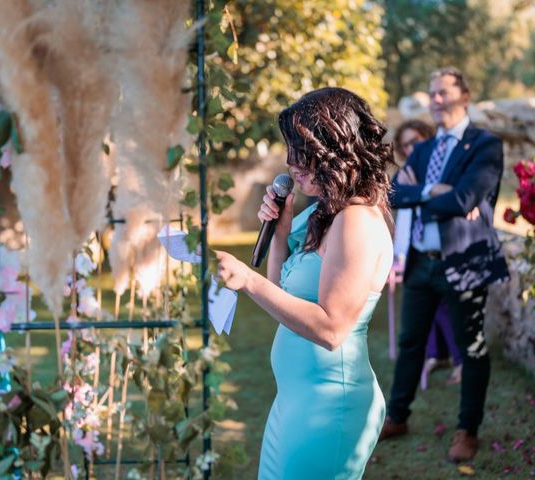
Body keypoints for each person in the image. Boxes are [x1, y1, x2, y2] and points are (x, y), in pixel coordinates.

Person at [215, 87, 394, 479]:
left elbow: (332, 329)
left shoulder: (357, 222)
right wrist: (279, 233)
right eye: (289, 150)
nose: (290, 162)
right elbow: (281, 291)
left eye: (301, 149)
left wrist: (246, 279)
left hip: (329, 407)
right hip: (295, 402)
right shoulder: (328, 215)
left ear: (335, 147)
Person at [380, 67, 509, 463]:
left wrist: (432, 196)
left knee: (471, 349)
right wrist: (431, 189)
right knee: (410, 344)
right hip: (421, 263)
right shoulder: (422, 149)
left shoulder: (484, 144)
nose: (436, 100)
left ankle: (467, 430)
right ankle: (398, 416)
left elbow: (464, 200)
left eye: (443, 93)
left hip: (464, 262)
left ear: (464, 96)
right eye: (432, 93)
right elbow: (392, 193)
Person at [394, 120, 463, 385]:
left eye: (416, 141)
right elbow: (395, 193)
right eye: (405, 145)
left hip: (445, 250)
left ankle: (460, 361)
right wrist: (419, 191)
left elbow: (448, 197)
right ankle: (436, 353)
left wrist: (417, 191)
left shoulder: (441, 168)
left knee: (446, 309)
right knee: (424, 312)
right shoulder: (407, 172)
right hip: (415, 249)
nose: (411, 149)